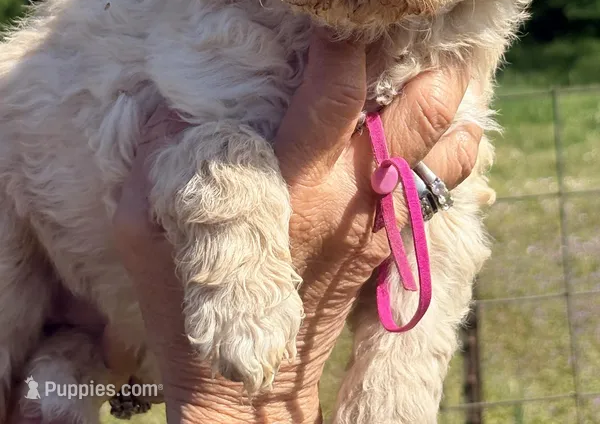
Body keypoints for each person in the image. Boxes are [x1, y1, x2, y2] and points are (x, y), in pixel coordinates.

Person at [10, 33, 482, 423]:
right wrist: (234, 404)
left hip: (106, 320)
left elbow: (441, 237)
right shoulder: (218, 1)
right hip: (49, 246)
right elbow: (187, 136)